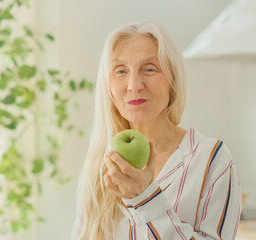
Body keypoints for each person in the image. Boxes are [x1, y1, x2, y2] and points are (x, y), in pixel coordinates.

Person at [71, 21, 241, 240]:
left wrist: (146, 199)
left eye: (149, 69)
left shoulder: (211, 159)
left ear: (173, 79)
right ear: (108, 86)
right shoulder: (100, 164)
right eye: (120, 71)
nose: (134, 85)